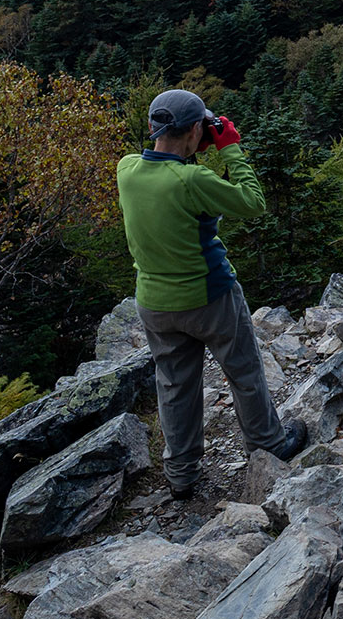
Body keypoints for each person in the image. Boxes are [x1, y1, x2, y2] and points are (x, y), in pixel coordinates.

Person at [117, 87, 307, 497]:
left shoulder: (127, 170)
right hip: (210, 298)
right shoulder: (192, 179)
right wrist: (230, 148)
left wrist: (188, 143)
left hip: (154, 302)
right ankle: (269, 444)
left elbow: (163, 168)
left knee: (174, 385)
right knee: (244, 372)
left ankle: (181, 475)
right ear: (194, 132)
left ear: (153, 128)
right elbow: (253, 202)